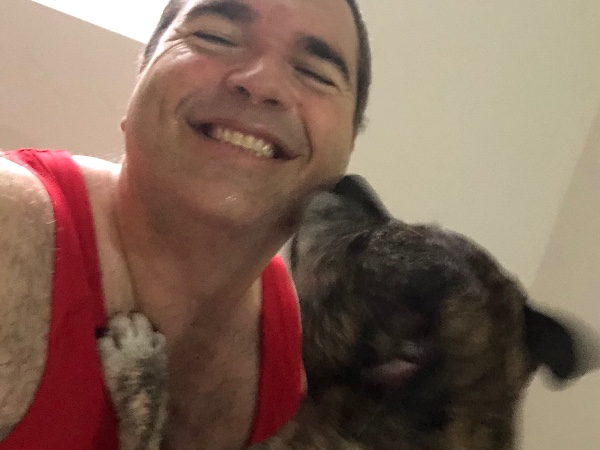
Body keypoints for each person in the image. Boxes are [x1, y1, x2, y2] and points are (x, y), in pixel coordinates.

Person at [0, 0, 371, 448]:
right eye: (216, 37)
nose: (262, 84)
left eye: (315, 73)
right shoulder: (10, 227)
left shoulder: (315, 360)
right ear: (141, 78)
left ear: (349, 147)